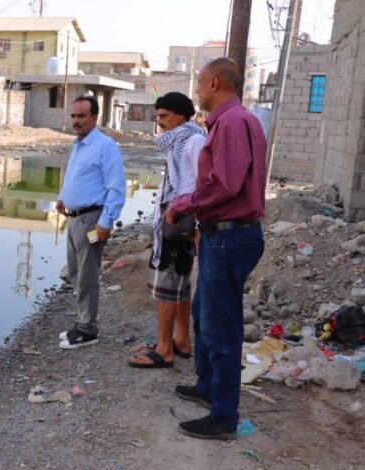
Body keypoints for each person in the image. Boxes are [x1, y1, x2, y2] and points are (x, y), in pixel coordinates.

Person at [166, 57, 267, 440]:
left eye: (197, 83)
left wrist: (181, 204)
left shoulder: (233, 122)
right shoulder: (237, 121)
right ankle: (208, 388)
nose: (195, 92)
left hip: (229, 235)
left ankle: (224, 416)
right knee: (204, 313)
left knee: (220, 325)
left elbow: (223, 185)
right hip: (222, 234)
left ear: (212, 83)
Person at [128, 92, 205, 369]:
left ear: (182, 115)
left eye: (164, 116)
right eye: (158, 115)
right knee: (180, 287)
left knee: (166, 288)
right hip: (175, 223)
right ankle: (181, 340)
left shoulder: (193, 141)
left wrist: (196, 224)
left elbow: (202, 184)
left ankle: (164, 349)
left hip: (180, 224)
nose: (159, 122)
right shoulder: (179, 141)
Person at [56, 95, 126, 350]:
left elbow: (116, 188)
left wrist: (106, 223)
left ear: (94, 118)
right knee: (75, 272)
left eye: (82, 115)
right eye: (73, 116)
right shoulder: (79, 144)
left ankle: (88, 330)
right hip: (74, 220)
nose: (76, 121)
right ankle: (82, 320)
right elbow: (75, 176)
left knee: (87, 274)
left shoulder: (106, 146)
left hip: (93, 222)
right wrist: (63, 197)